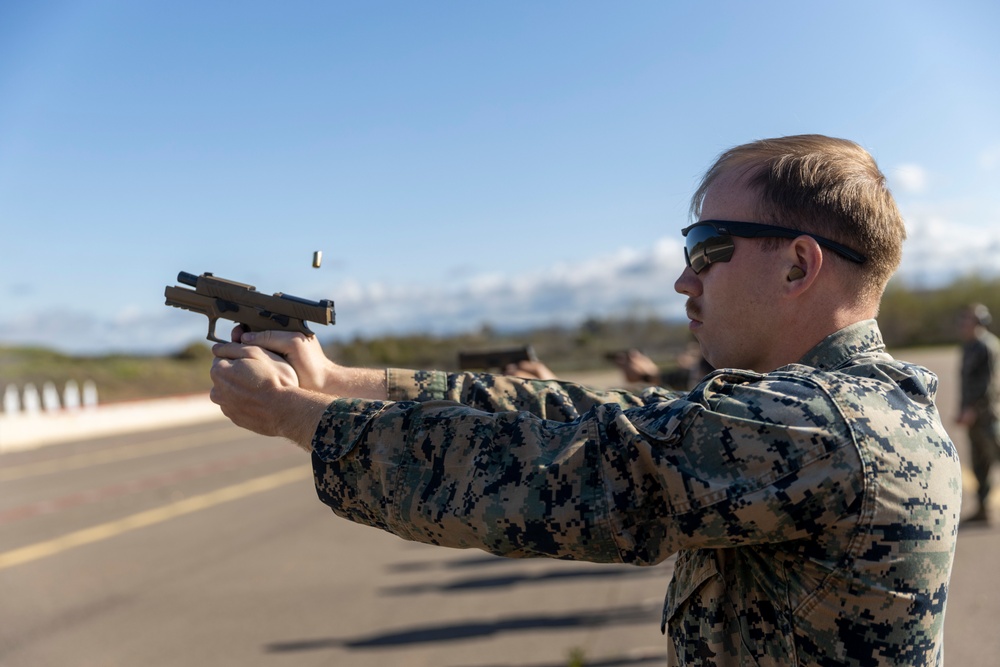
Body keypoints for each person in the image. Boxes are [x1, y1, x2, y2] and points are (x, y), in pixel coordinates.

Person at [209, 134, 960, 666]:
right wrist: (332, 380)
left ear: (799, 264)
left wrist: (296, 417)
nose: (685, 280)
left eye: (708, 248)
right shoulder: (819, 406)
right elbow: (577, 413)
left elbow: (559, 470)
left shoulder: (823, 424)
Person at [957, 303, 1000, 524]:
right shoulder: (969, 346)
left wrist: (972, 409)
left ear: (980, 323)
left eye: (967, 320)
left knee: (996, 456)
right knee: (979, 463)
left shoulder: (987, 346)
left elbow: (988, 385)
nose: (963, 324)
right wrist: (963, 409)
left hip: (987, 416)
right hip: (972, 416)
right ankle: (983, 509)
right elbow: (967, 383)